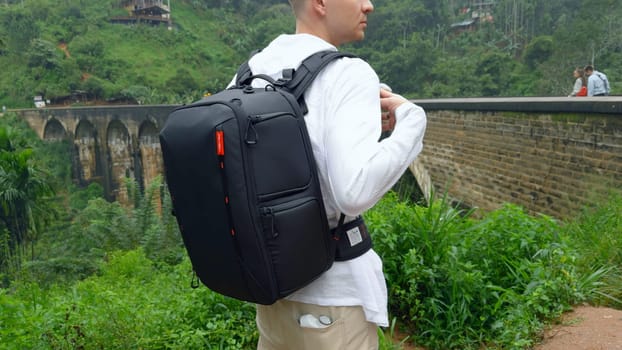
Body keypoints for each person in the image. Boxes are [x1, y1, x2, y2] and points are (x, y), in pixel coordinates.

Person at [228, 0, 427, 348]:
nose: (369, 5)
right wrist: (413, 123)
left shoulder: (248, 72)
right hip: (334, 306)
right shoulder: (348, 73)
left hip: (270, 297)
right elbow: (354, 192)